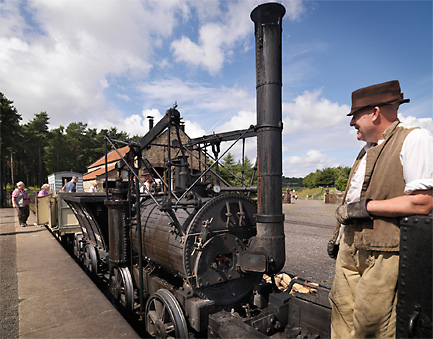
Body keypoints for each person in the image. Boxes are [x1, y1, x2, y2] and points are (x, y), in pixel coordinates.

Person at [328, 80, 433, 338]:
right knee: (341, 313)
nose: (352, 123)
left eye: (355, 116)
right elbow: (352, 201)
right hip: (350, 247)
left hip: (384, 252)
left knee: (371, 326)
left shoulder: (415, 139)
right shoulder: (365, 151)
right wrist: (337, 238)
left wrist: (367, 208)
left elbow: (424, 202)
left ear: (375, 113)